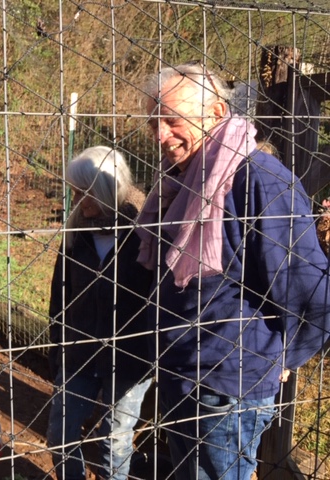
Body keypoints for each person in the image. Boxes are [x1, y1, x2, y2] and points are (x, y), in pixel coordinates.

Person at [136, 62, 330, 480]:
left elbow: (311, 291)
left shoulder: (259, 180)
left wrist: (282, 357)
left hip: (228, 385)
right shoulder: (183, 179)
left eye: (173, 120)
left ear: (218, 113)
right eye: (154, 123)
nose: (161, 135)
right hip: (183, 371)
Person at [47, 146, 153, 480]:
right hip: (79, 355)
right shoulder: (76, 235)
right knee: (59, 438)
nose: (78, 199)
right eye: (75, 191)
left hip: (130, 360)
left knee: (115, 446)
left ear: (109, 188)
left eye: (86, 191)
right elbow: (58, 297)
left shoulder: (145, 233)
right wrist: (58, 348)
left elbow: (158, 299)